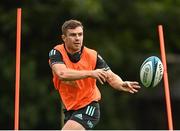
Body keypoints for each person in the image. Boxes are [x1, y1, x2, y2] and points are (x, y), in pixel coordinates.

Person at [48, 19, 141, 130]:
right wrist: (91, 73)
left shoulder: (92, 55)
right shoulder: (56, 53)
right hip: (70, 109)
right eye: (73, 35)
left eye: (80, 34)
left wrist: (121, 83)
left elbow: (110, 76)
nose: (77, 38)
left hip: (88, 107)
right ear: (64, 38)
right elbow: (62, 73)